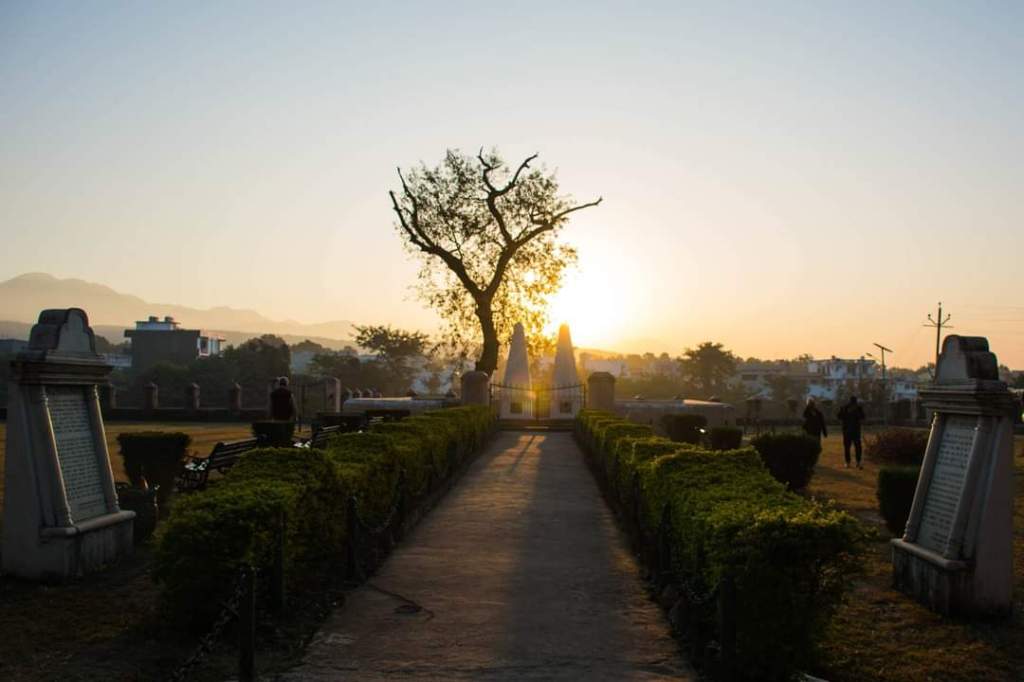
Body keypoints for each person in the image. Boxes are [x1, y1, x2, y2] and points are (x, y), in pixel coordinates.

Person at [837, 395, 866, 468]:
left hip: (854, 431)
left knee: (857, 447)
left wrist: (857, 412)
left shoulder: (858, 408)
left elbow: (863, 417)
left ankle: (857, 462)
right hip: (848, 431)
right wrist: (845, 413)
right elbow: (839, 416)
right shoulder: (844, 408)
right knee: (848, 447)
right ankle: (848, 462)